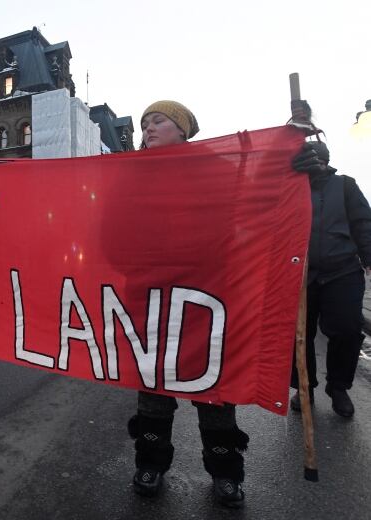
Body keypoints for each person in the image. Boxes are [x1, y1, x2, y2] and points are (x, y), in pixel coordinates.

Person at [126, 101, 247, 509]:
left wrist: (301, 167)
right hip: (150, 298)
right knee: (154, 387)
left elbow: (258, 203)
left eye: (158, 120)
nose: (148, 128)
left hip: (206, 297)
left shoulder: (216, 171)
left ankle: (226, 472)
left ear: (182, 129)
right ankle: (151, 463)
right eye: (144, 123)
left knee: (212, 387)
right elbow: (109, 228)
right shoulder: (130, 176)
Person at [289, 140, 371, 418]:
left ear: (327, 161)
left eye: (320, 161)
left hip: (343, 271)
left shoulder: (346, 185)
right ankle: (304, 387)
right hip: (299, 274)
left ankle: (338, 387)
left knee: (347, 329)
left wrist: (369, 257)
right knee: (298, 334)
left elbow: (363, 223)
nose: (317, 167)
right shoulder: (289, 188)